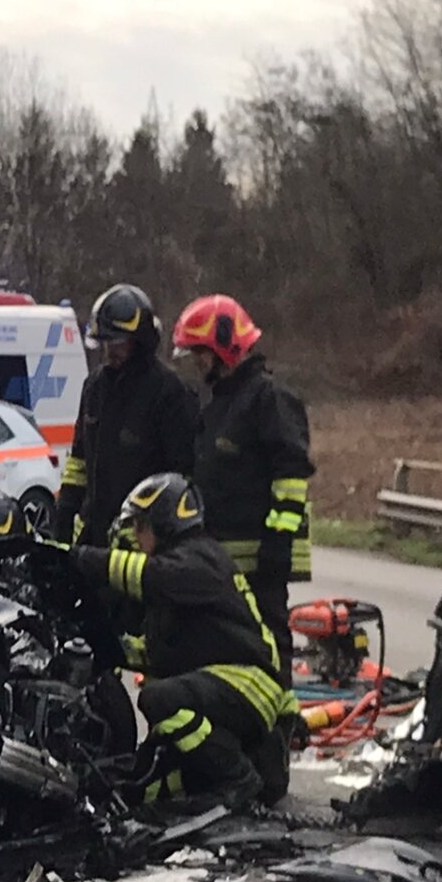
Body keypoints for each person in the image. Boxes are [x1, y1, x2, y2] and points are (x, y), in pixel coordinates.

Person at [66, 473, 294, 808]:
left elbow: (147, 576)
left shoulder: (196, 559)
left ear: (164, 524)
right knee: (138, 790)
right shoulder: (187, 567)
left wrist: (75, 558)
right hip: (230, 684)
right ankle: (226, 777)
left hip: (250, 685)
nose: (137, 537)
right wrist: (113, 649)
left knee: (158, 700)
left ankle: (237, 779)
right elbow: (170, 651)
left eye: (141, 527)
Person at [170, 294, 313, 686]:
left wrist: (279, 540)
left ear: (224, 348)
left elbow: (291, 473)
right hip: (224, 560)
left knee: (269, 646)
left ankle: (280, 727)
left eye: (200, 352)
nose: (197, 362)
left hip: (262, 558)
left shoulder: (269, 400)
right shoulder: (219, 406)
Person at [53, 284, 199, 547]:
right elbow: (79, 461)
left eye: (118, 342)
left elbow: (182, 475)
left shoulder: (170, 393)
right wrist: (66, 509)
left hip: (143, 539)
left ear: (140, 342)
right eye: (105, 342)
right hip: (95, 533)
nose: (110, 351)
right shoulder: (95, 387)